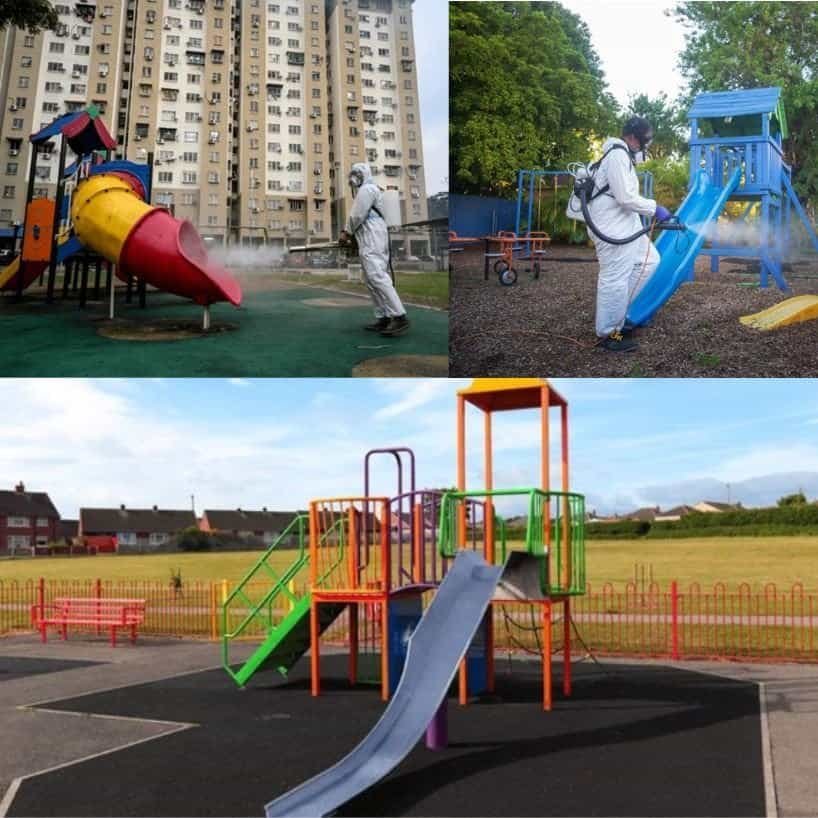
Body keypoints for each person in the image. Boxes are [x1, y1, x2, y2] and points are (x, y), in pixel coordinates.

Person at [584, 116, 673, 352]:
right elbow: (624, 197)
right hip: (611, 228)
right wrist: (655, 208)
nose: (646, 146)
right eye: (645, 140)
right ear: (633, 137)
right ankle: (608, 334)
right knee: (614, 278)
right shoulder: (616, 155)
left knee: (649, 261)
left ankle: (619, 316)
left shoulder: (624, 156)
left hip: (626, 226)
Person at [339, 162, 409, 337]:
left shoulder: (367, 189)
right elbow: (359, 216)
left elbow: (357, 214)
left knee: (377, 275)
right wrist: (354, 236)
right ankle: (383, 317)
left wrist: (346, 232)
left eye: (356, 174)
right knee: (371, 279)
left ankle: (399, 316)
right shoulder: (365, 191)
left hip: (373, 237)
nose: (352, 178)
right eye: (352, 174)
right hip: (369, 236)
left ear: (363, 174)